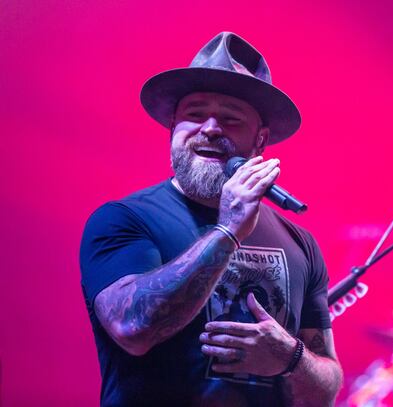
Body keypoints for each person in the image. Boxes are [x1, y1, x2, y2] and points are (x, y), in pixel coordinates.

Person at [80, 32, 342, 407]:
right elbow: (132, 328)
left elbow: (325, 390)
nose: (211, 128)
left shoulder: (300, 244)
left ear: (260, 141)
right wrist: (228, 230)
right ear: (173, 128)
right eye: (194, 114)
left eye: (231, 119)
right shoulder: (125, 219)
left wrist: (291, 357)